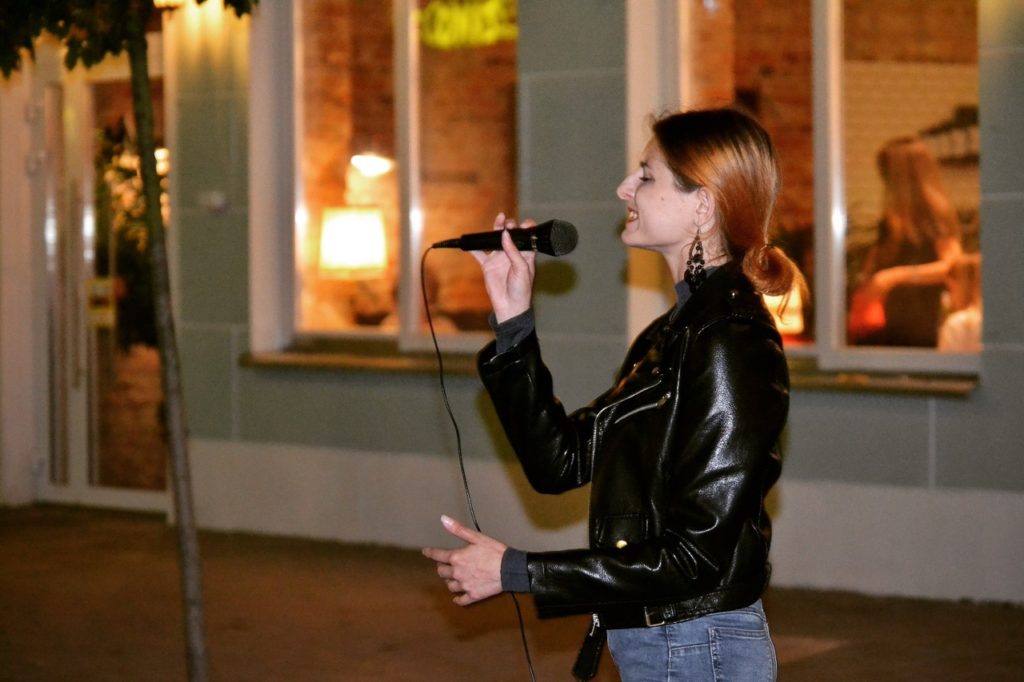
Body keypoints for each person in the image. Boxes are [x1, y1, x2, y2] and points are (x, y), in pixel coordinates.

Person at [423, 108, 802, 681]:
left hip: (697, 644)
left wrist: (519, 571)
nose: (625, 188)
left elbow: (696, 557)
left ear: (703, 205)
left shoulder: (731, 342)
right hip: (665, 641)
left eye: (646, 176)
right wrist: (514, 322)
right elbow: (561, 462)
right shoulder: (673, 334)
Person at [848, 137, 963, 347]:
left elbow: (952, 266)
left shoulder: (932, 213)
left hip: (918, 322)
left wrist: (894, 276)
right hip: (887, 321)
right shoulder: (892, 217)